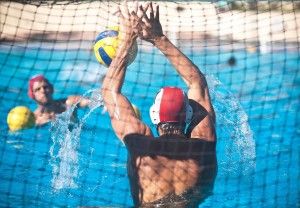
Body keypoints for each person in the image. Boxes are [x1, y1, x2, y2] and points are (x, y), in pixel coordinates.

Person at [101, 2, 217, 207]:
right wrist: (158, 38)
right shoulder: (204, 145)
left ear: (154, 115)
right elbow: (197, 83)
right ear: (189, 116)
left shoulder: (139, 145)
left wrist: (127, 39)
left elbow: (110, 91)